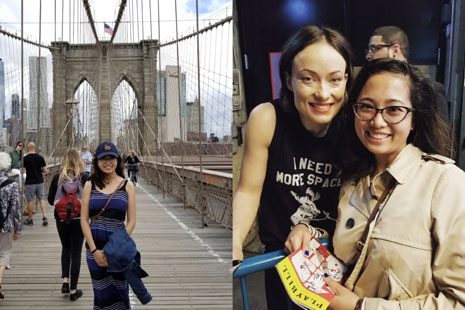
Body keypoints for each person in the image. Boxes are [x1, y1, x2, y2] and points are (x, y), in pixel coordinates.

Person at [326, 59, 465, 309]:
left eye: (393, 110)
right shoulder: (352, 182)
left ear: (414, 119)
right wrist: (308, 232)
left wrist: (362, 307)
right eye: (367, 107)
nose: (377, 122)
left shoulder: (446, 183)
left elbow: (459, 301)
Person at [232, 25, 353, 309]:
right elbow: (249, 190)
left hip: (341, 260)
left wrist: (314, 232)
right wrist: (235, 241)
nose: (323, 93)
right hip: (283, 261)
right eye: (308, 79)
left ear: (346, 81)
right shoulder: (266, 119)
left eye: (334, 80)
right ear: (288, 79)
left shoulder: (355, 126)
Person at [80, 141, 137, 309]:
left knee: (120, 294)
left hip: (118, 251)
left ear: (118, 160)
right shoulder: (90, 184)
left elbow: (132, 221)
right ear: (96, 161)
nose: (107, 162)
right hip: (94, 249)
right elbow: (84, 219)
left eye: (111, 158)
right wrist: (95, 251)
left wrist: (114, 247)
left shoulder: (128, 186)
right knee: (101, 295)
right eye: (103, 158)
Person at [365, 25, 449, 121]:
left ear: (395, 50)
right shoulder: (369, 85)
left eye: (374, 48)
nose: (368, 55)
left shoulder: (430, 89)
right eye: (369, 50)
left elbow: (441, 133)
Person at [47, 148, 88, 301]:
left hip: (61, 220)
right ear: (79, 160)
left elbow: (51, 201)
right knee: (76, 253)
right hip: (79, 220)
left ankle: (65, 281)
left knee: (66, 248)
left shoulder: (57, 177)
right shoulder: (84, 178)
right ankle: (73, 291)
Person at [0, 152, 21, 299]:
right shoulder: (12, 185)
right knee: (4, 253)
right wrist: (17, 229)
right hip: (4, 225)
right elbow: (15, 208)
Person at [23, 142, 49, 226]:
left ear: (28, 148)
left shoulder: (25, 158)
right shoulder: (40, 157)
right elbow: (45, 170)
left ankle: (30, 219)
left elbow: (22, 171)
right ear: (35, 147)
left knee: (30, 201)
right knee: (41, 199)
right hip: (40, 181)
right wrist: (42, 170)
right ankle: (44, 217)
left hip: (30, 182)